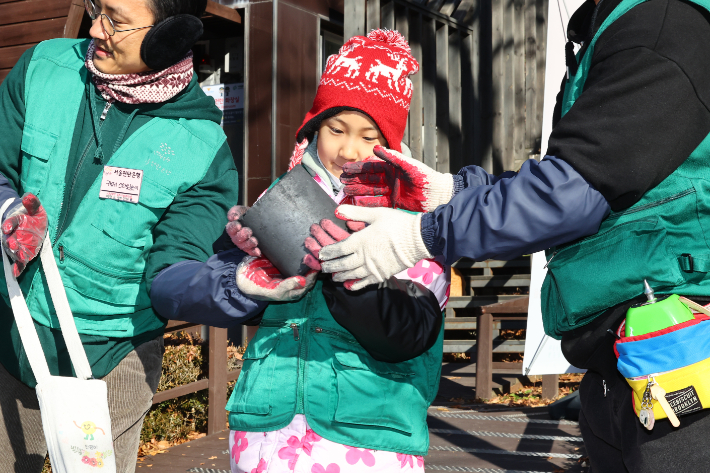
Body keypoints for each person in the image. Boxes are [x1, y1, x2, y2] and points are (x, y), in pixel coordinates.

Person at [316, 0, 710, 471]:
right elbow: (577, 178)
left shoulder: (662, 25)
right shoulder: (617, 24)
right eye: (335, 128)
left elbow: (573, 192)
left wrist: (422, 235)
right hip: (621, 355)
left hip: (675, 345)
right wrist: (452, 192)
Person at [0, 0, 266, 469]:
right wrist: (7, 209)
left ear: (170, 34)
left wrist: (236, 284)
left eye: (116, 22)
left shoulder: (202, 147)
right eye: (96, 7)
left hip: (112, 363)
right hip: (11, 338)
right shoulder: (43, 67)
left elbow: (174, 269)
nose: (96, 29)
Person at [223, 30, 450, 473]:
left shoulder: (416, 210)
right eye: (336, 129)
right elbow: (241, 302)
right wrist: (244, 261)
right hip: (268, 427)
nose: (348, 150)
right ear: (314, 127)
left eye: (369, 137)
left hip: (368, 434)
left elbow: (408, 331)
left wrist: (346, 269)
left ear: (392, 142)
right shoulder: (283, 193)